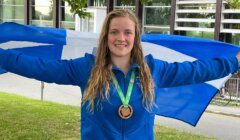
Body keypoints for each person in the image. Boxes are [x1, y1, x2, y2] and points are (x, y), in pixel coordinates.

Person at [0, 9, 239, 140]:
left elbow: (199, 70)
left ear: (135, 38)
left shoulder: (154, 70)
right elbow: (37, 66)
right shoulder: (86, 69)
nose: (121, 38)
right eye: (114, 32)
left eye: (127, 32)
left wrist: (234, 61)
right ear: (106, 36)